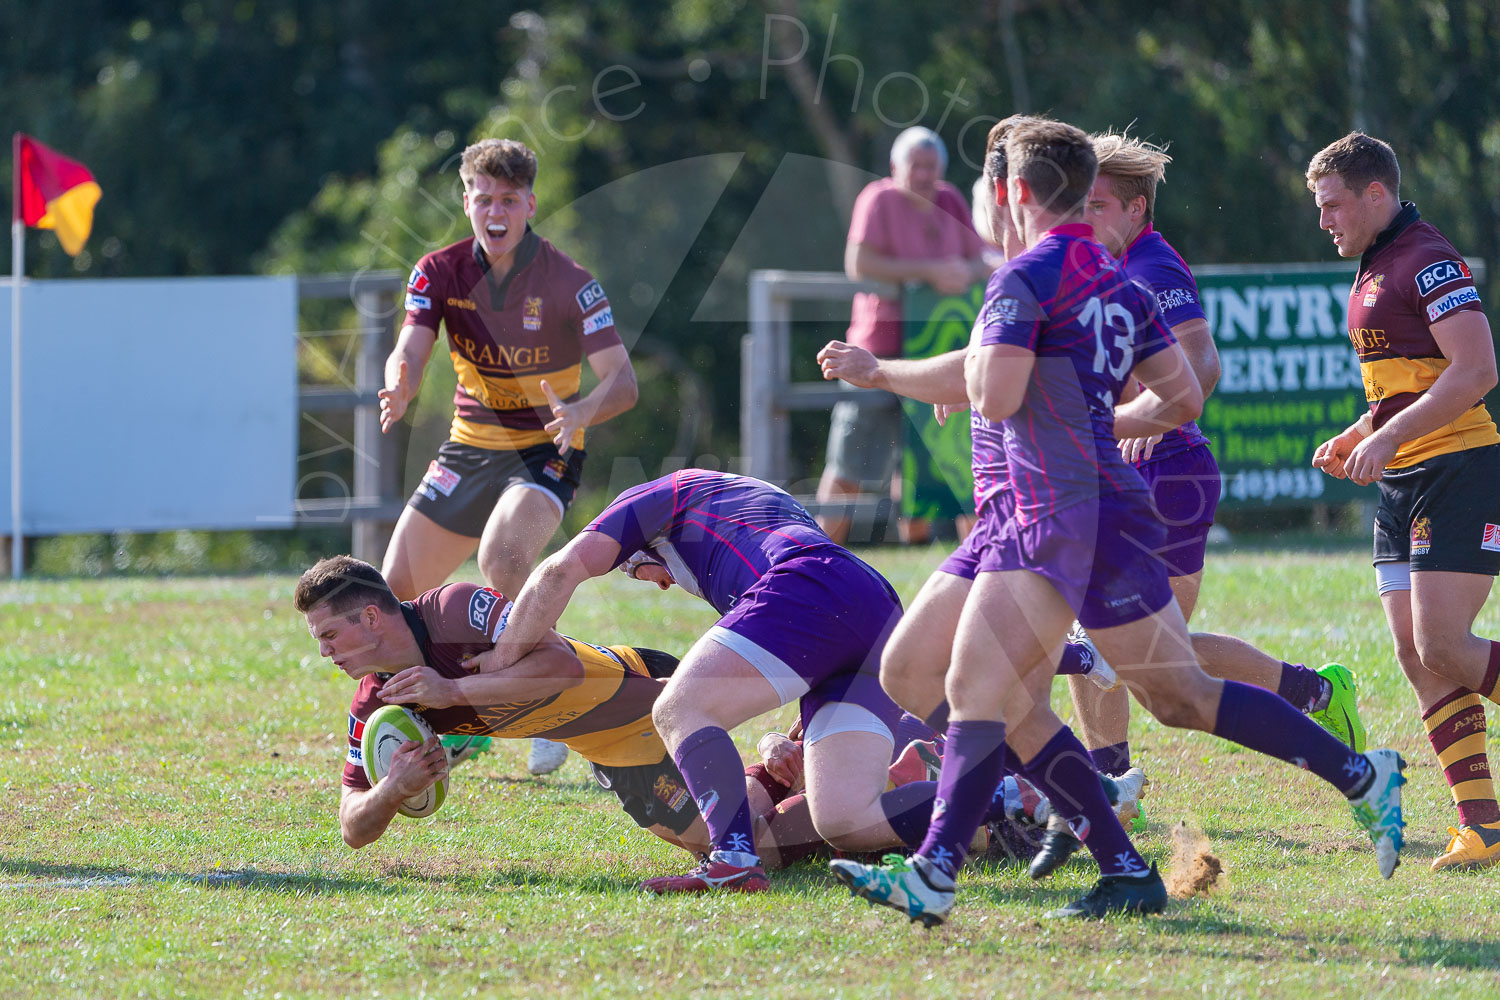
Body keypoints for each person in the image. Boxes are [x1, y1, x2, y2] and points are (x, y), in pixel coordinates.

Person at [830, 118, 1407, 925]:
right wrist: (1066, 402)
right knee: (1151, 693)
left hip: (1047, 514)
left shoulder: (1024, 279)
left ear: (1014, 193)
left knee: (973, 689)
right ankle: (1347, 778)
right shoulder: (1112, 282)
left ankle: (943, 868)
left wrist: (1026, 388)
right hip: (1066, 509)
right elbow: (1180, 394)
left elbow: (991, 393)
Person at [478, 468, 1021, 894]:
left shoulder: (656, 498)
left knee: (678, 708)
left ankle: (734, 859)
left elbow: (559, 570)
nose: (661, 586)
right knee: (848, 819)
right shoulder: (742, 500)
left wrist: (500, 667)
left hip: (813, 583)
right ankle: (1028, 799)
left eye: (640, 571)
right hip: (871, 604)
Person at [376, 138, 639, 777]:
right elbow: (410, 347)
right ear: (467, 202)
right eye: (484, 198)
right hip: (468, 447)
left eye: (510, 200)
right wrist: (402, 381)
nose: (496, 211)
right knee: (390, 597)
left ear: (530, 205)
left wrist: (581, 413)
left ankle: (562, 699)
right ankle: (459, 724)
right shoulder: (437, 271)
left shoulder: (570, 283)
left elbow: (623, 384)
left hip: (543, 448)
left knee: (503, 558)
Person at [1307, 131, 1500, 872]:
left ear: (1375, 195)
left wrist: (1389, 441)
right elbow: (1404, 390)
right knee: (1420, 660)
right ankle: (1481, 825)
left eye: (1332, 206)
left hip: (1457, 468)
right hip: (1403, 481)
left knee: (1447, 645)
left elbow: (1476, 369)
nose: (1325, 221)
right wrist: (1360, 432)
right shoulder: (1370, 267)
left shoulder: (1425, 257)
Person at [817, 126, 992, 545]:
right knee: (850, 461)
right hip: (875, 349)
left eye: (932, 167)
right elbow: (858, 263)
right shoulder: (877, 198)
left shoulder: (949, 198)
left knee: (934, 462)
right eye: (917, 166)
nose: (924, 175)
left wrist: (961, 272)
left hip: (934, 349)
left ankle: (929, 551)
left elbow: (978, 259)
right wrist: (928, 271)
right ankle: (815, 555)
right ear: (896, 167)